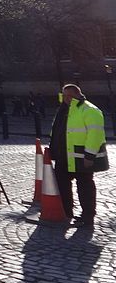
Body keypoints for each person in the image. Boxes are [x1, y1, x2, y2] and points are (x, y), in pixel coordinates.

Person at [50, 84, 109, 228]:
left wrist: (89, 155)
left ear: (76, 95)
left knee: (85, 187)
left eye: (68, 95)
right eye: (63, 95)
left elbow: (95, 135)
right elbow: (57, 130)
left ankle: (88, 217)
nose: (65, 98)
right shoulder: (63, 110)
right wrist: (53, 149)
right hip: (63, 156)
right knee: (62, 184)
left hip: (81, 156)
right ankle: (66, 212)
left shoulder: (89, 110)